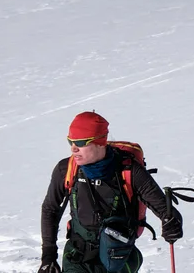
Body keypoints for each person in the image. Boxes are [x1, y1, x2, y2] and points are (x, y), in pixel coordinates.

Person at [39, 111, 182, 273]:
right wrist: (48, 257)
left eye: (80, 142)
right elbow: (50, 209)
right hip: (78, 257)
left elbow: (166, 210)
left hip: (118, 258)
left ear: (100, 142)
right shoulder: (65, 169)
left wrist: (172, 224)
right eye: (70, 141)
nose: (74, 149)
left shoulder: (130, 171)